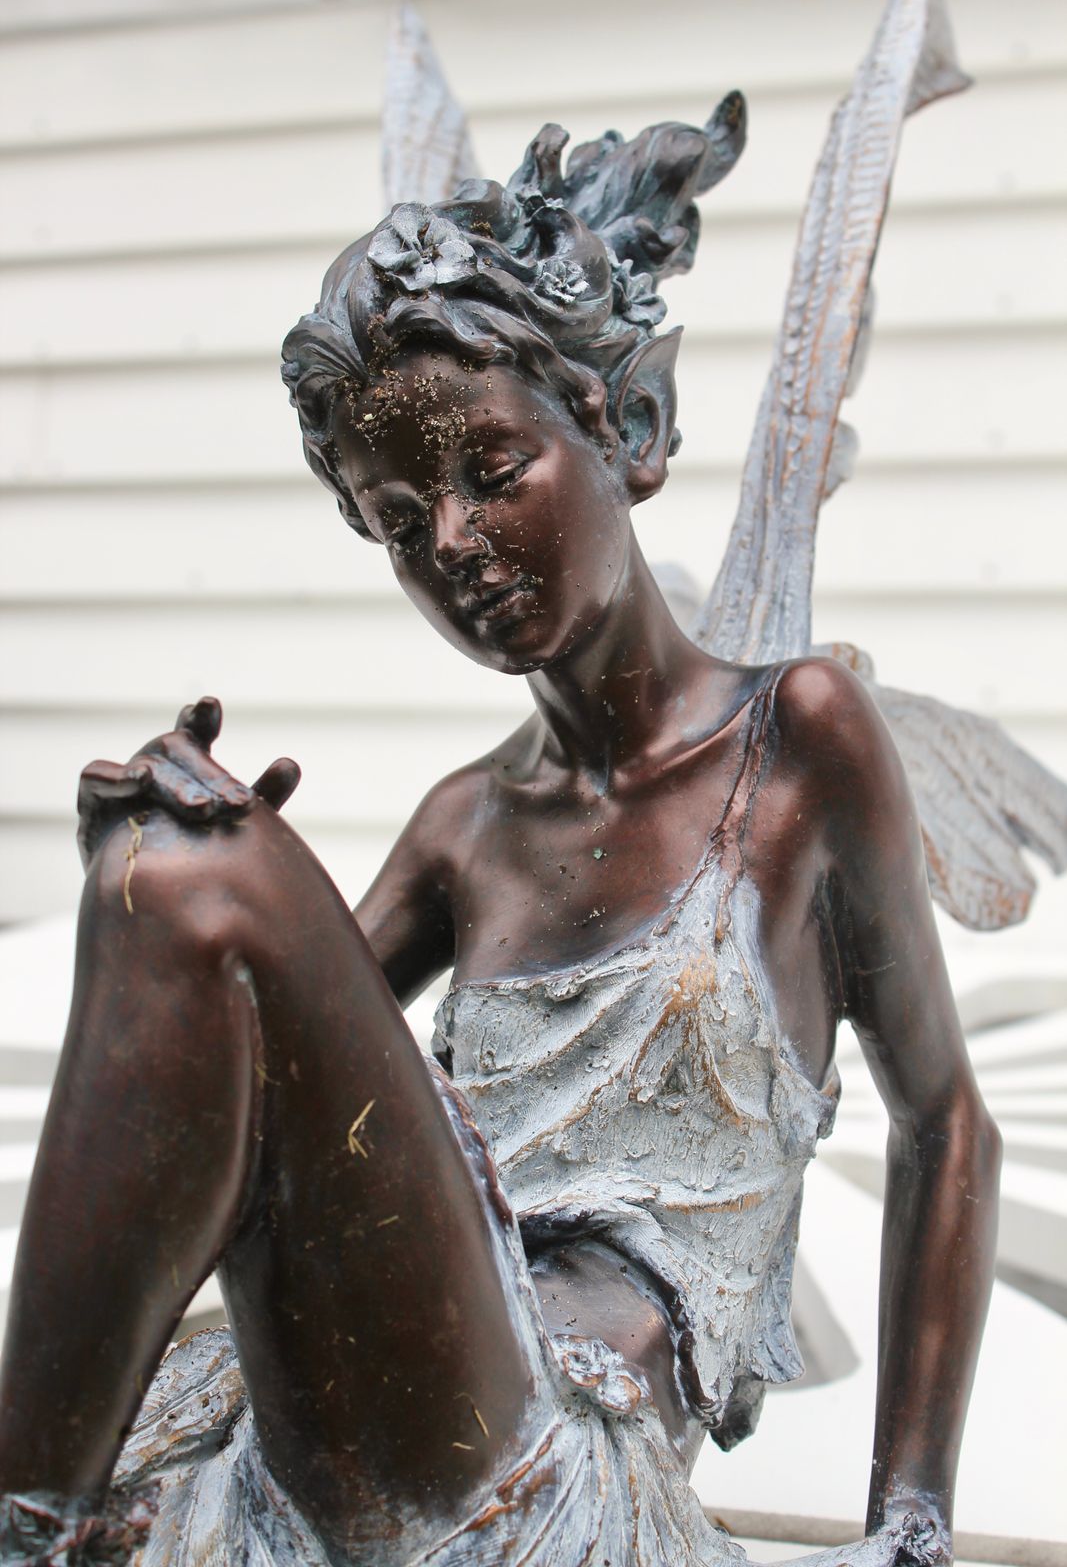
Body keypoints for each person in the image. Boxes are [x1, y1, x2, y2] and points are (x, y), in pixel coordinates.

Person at [0, 108, 1000, 1567]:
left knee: (199, 871)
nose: (454, 544)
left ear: (628, 434)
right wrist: (145, 874)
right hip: (370, 1396)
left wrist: (909, 1522)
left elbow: (947, 1119)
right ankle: (39, 1518)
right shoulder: (467, 823)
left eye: (491, 469)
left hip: (561, 1448)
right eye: (401, 522)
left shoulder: (801, 744)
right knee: (175, 868)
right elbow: (257, 1090)